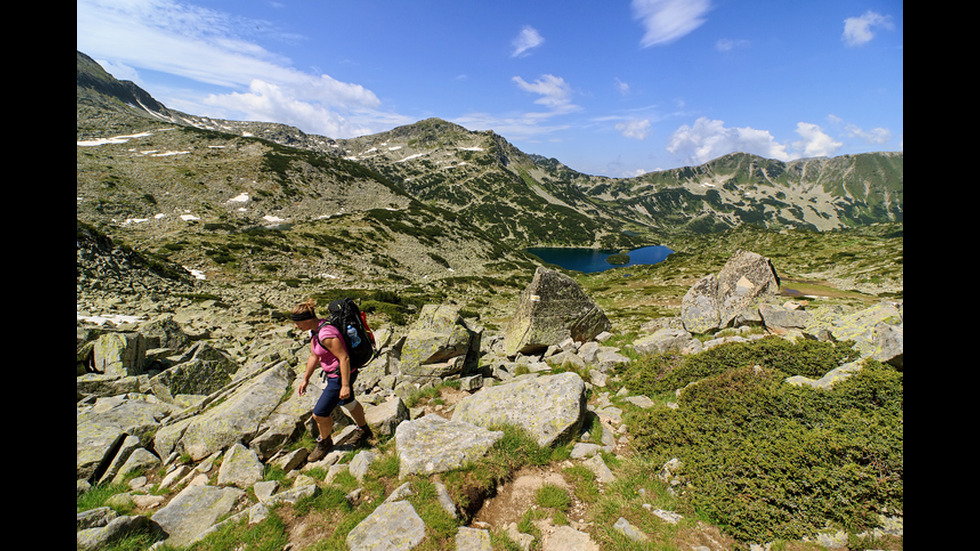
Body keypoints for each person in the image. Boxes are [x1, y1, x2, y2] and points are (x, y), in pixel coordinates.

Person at [290, 299, 373, 462]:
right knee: (348, 403)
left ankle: (324, 442)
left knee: (319, 414)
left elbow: (344, 358)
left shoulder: (326, 334)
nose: (295, 327)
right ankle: (364, 430)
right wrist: (305, 378)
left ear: (306, 320)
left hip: (340, 376)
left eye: (297, 323)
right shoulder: (314, 330)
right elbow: (315, 355)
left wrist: (344, 385)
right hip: (338, 374)